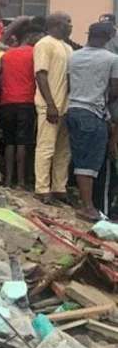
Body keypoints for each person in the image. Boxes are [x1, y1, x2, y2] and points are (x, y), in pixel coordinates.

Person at [65, 22, 118, 221]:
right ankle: (88, 207)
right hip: (93, 113)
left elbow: (69, 84)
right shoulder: (112, 59)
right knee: (90, 162)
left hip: (73, 110)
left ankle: (86, 204)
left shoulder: (74, 56)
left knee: (79, 157)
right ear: (108, 37)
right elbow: (114, 90)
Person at [0, 17, 46, 189]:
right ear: (32, 37)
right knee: (23, 142)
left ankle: (9, 180)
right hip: (26, 102)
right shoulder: (35, 54)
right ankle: (21, 182)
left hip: (7, 103)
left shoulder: (6, 54)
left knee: (9, 142)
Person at [34, 13, 76, 203]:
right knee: (46, 148)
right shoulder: (45, 44)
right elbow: (41, 75)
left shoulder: (68, 47)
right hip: (49, 106)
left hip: (66, 107)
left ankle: (59, 188)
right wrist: (51, 104)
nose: (71, 25)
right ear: (56, 24)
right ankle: (41, 189)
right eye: (68, 22)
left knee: (63, 151)